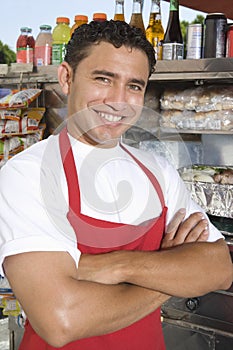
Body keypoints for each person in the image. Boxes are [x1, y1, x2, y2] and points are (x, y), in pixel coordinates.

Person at [0, 20, 232, 350]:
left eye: (134, 86)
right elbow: (61, 320)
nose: (118, 101)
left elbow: (219, 267)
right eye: (103, 79)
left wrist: (112, 265)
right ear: (67, 77)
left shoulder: (157, 170)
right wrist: (170, 273)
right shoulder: (28, 174)